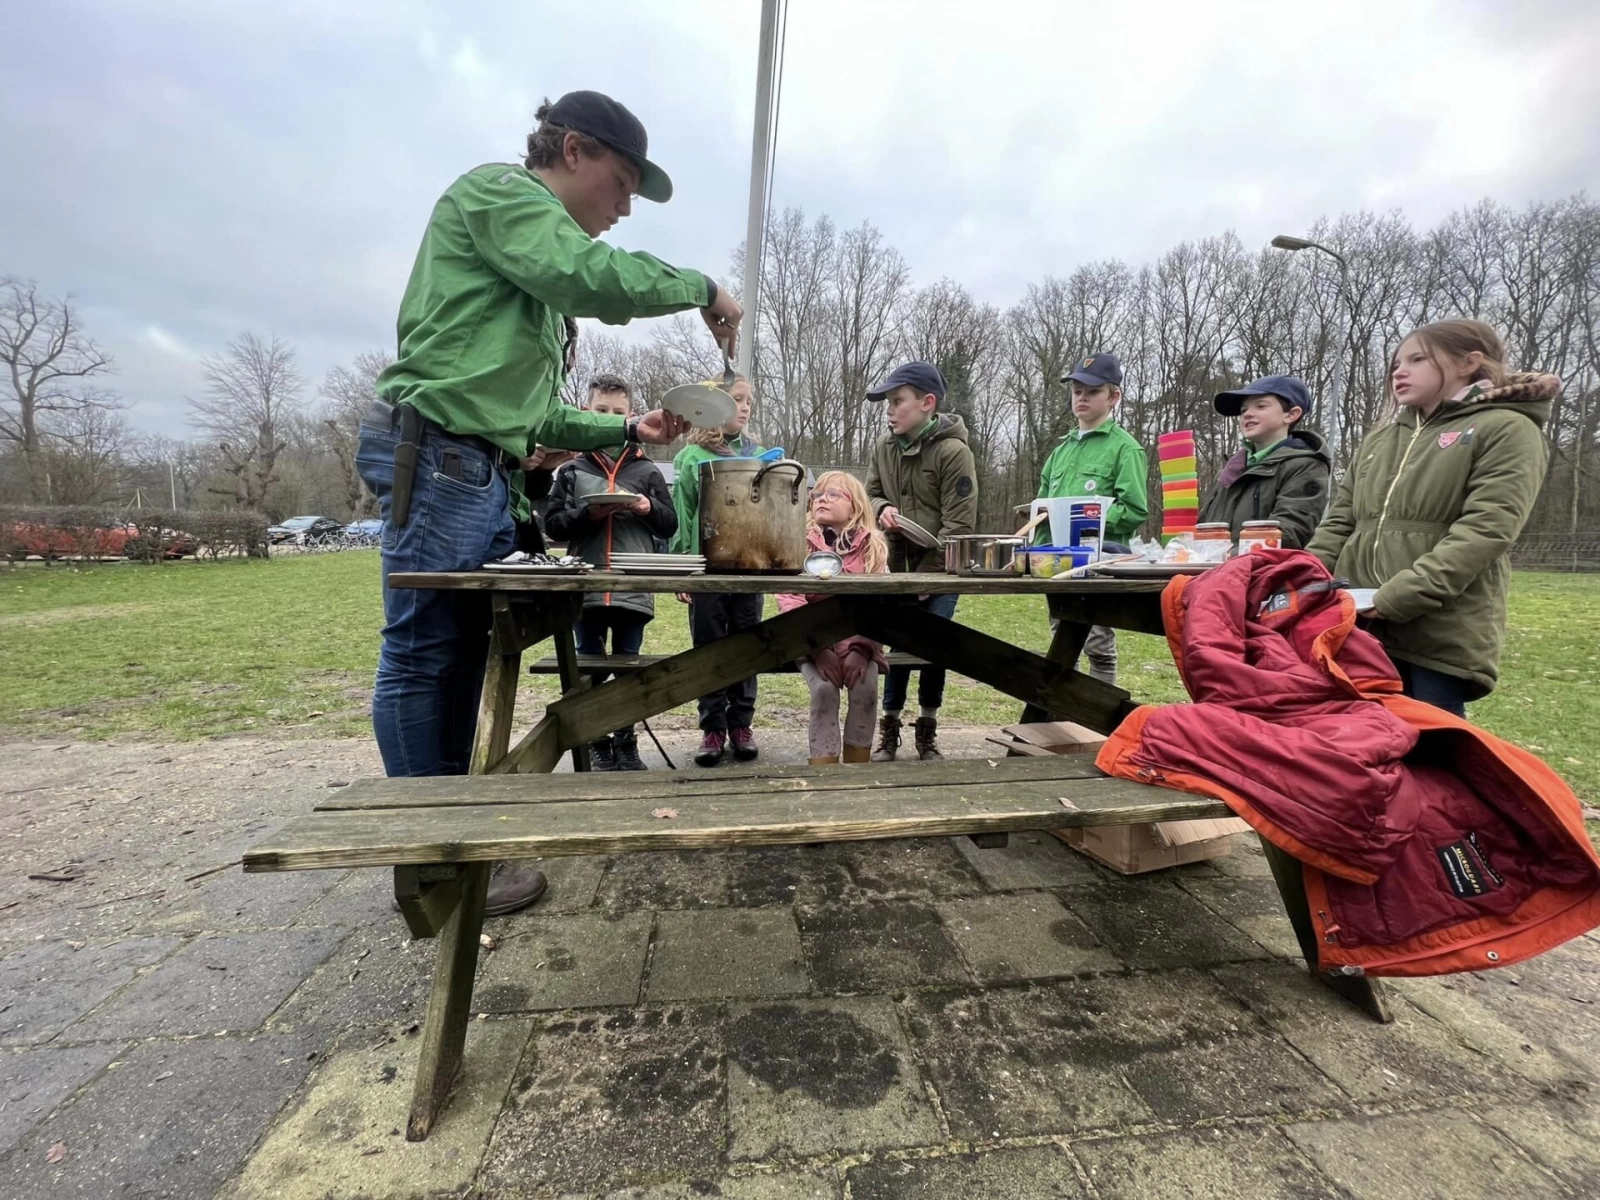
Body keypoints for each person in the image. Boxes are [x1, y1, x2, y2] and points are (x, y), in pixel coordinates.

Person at [355, 90, 742, 917]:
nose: (625, 206)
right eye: (623, 181)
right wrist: (701, 287)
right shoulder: (501, 197)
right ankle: (436, 863)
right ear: (573, 150)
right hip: (444, 455)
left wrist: (626, 424)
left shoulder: (526, 275)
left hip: (482, 463)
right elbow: (590, 276)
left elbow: (528, 416)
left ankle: (458, 842)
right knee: (425, 652)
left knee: (461, 654)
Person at [1307, 318, 1558, 717]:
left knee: (1433, 757)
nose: (1399, 371)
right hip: (1359, 627)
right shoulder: (1380, 440)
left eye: (1417, 359)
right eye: (1395, 364)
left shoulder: (1508, 429)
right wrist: (1301, 580)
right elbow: (1339, 523)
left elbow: (1485, 531)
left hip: (1441, 629)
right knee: (1361, 749)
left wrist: (1398, 597)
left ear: (1468, 362)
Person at [542, 374, 677, 771]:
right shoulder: (571, 470)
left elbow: (669, 524)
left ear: (631, 415)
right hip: (584, 586)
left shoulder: (647, 471)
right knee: (587, 666)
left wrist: (646, 508)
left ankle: (626, 740)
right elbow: (552, 525)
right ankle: (596, 741)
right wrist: (589, 512)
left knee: (628, 667)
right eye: (601, 411)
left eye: (618, 413)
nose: (608, 417)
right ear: (587, 413)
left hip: (632, 585)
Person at [864, 362, 978, 762]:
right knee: (896, 651)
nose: (890, 410)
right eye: (888, 403)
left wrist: (930, 578)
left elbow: (959, 525)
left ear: (927, 403)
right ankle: (888, 727)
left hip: (942, 572)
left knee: (934, 649)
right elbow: (871, 492)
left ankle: (927, 729)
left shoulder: (953, 452)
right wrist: (882, 508)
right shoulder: (883, 447)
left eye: (898, 401)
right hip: (896, 570)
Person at [669, 376, 767, 767]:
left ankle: (741, 724)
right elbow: (684, 516)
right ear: (714, 407)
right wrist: (683, 568)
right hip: (706, 571)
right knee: (708, 646)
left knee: (747, 645)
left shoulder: (759, 455)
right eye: (737, 400)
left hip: (749, 568)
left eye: (749, 401)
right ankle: (712, 727)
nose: (744, 407)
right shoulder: (690, 458)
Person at [1034, 352, 1148, 685]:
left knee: (1097, 645)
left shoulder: (1126, 449)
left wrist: (1085, 517)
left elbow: (1134, 511)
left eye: (1092, 391)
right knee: (1061, 642)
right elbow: (1042, 508)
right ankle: (1064, 718)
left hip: (1099, 563)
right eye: (1076, 390)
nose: (1082, 397)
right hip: (1056, 563)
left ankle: (1097, 723)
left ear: (1114, 397)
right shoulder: (1061, 450)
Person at [775, 472, 891, 764]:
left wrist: (862, 648)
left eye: (833, 494)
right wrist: (818, 648)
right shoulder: (798, 543)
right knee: (825, 691)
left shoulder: (873, 547)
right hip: (811, 645)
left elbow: (881, 604)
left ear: (856, 506)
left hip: (861, 645)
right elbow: (790, 600)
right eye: (817, 495)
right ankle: (823, 769)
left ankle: (857, 767)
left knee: (866, 688)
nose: (821, 499)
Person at [1198, 375, 1331, 548]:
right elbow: (1202, 531)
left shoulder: (1305, 467)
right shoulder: (1228, 472)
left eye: (1261, 406)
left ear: (1291, 414)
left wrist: (1226, 560)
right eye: (1244, 410)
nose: (1247, 414)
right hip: (1213, 572)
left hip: (1264, 574)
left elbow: (1289, 534)